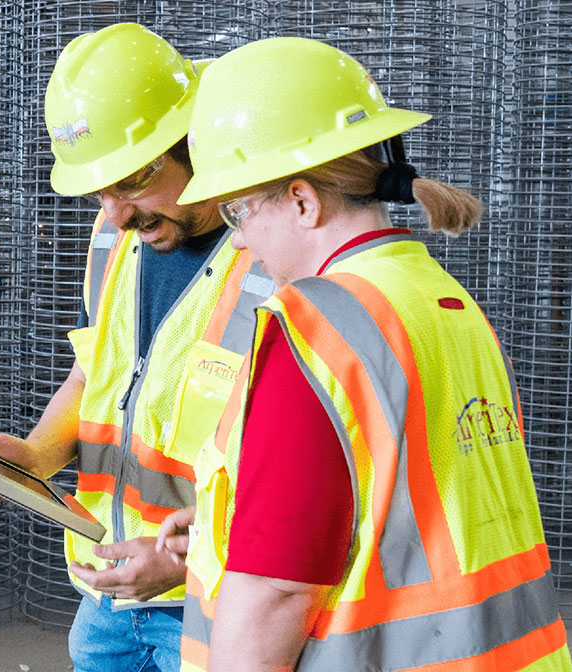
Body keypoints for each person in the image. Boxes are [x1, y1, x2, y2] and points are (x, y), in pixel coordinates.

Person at [156, 37, 572, 671]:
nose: (237, 241)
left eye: (239, 211)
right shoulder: (444, 300)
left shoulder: (315, 325)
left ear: (302, 200)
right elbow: (403, 502)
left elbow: (278, 589)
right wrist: (227, 526)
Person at [0, 23, 274, 672]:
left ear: (195, 143)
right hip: (109, 591)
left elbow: (303, 466)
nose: (115, 212)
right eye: (102, 189)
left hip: (219, 604)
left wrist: (186, 560)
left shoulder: (276, 257)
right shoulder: (115, 235)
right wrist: (37, 453)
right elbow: (90, 378)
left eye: (129, 183)